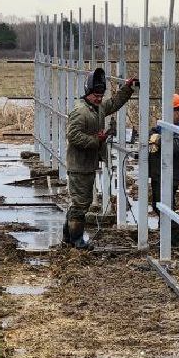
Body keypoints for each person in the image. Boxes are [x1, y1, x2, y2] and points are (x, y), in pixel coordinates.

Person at [64, 66, 137, 249]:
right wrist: (96, 140)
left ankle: (69, 238)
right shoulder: (80, 112)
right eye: (95, 95)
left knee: (81, 202)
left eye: (100, 95)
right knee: (81, 203)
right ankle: (77, 241)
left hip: (86, 163)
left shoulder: (96, 108)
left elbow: (113, 103)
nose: (99, 98)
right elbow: (73, 136)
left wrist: (127, 89)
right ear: (88, 93)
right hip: (79, 165)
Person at [148, 93, 179, 242]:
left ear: (178, 113)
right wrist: (153, 138)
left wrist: (159, 141)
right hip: (159, 172)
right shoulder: (166, 126)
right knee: (158, 204)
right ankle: (166, 236)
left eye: (169, 112)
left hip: (171, 174)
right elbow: (153, 132)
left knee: (165, 205)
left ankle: (172, 239)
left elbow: (178, 146)